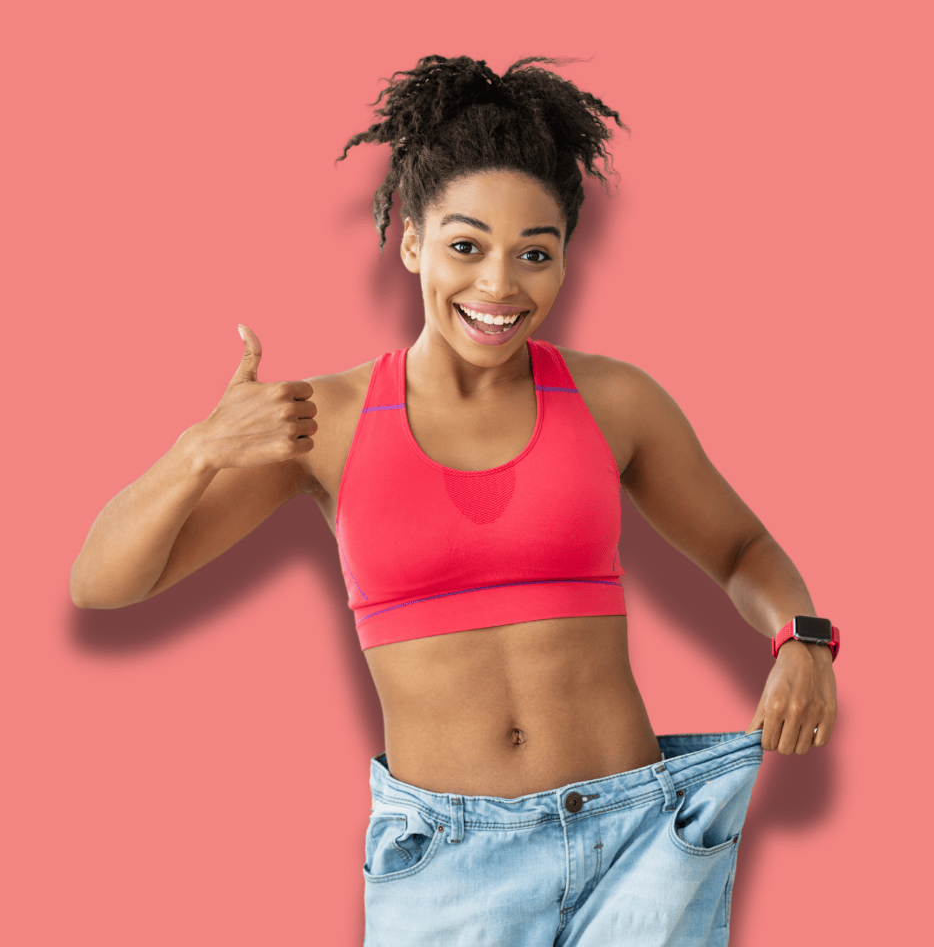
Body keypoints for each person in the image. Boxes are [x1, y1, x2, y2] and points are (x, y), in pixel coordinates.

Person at [70, 55, 838, 946]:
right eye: (466, 246)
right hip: (449, 858)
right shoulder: (327, 422)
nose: (499, 286)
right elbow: (103, 582)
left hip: (639, 838)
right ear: (410, 242)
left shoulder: (616, 401)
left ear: (564, 260)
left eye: (534, 254)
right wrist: (198, 450)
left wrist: (802, 637)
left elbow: (740, 547)